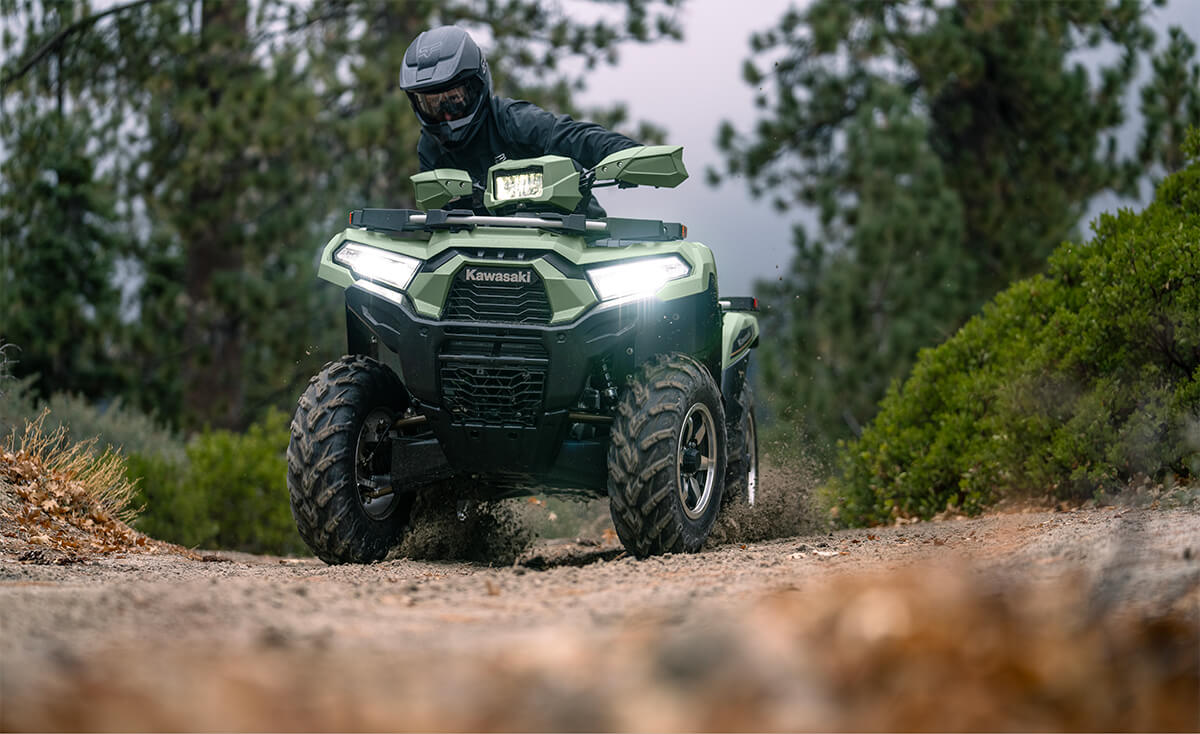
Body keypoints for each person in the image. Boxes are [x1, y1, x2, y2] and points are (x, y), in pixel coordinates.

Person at [399, 25, 640, 217]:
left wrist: (631, 156)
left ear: (477, 85)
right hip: (482, 255)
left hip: (572, 240)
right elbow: (439, 217)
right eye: (432, 104)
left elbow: (577, 138)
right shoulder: (431, 148)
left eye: (454, 99)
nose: (447, 114)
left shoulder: (513, 120)